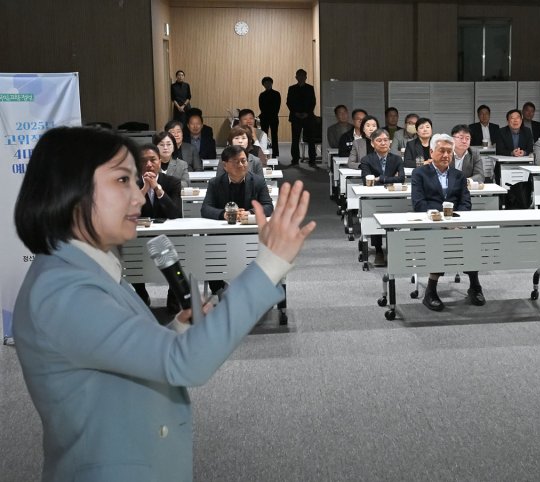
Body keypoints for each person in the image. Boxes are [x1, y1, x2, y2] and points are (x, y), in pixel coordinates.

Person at [12, 126, 314, 481]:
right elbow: (183, 364)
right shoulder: (62, 290)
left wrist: (178, 328)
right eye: (122, 181)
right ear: (70, 189)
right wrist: (269, 264)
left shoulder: (86, 271)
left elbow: (117, 353)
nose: (139, 198)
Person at [411, 133, 485, 311]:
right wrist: (440, 221)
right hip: (430, 223)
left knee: (470, 238)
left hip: (456, 223)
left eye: (449, 152)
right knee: (439, 240)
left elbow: (465, 202)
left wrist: (457, 222)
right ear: (431, 151)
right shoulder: (420, 173)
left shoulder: (458, 175)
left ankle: (475, 285)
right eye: (441, 151)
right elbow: (419, 203)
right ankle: (431, 291)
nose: (446, 155)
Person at [203, 145, 275, 295]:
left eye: (244, 161)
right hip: (222, 236)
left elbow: (268, 207)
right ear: (225, 165)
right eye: (236, 162)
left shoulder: (258, 181)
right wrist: (224, 214)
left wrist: (249, 213)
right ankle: (219, 289)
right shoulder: (215, 183)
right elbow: (205, 209)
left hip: (251, 235)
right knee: (210, 252)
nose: (241, 165)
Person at [132, 143, 183, 310]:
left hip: (168, 237)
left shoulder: (172, 182)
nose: (149, 164)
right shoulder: (131, 183)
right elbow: (128, 211)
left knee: (180, 249)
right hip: (139, 237)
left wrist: (157, 188)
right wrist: (145, 188)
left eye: (153, 160)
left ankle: (173, 295)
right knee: (130, 252)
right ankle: (141, 292)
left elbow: (175, 213)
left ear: (160, 161)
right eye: (144, 161)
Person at [360, 129, 405, 267]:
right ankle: (379, 250)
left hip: (394, 196)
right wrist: (391, 179)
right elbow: (366, 180)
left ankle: (397, 249)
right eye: (379, 140)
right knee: (375, 217)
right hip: (375, 196)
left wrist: (381, 178)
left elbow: (402, 178)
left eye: (386, 140)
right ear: (373, 144)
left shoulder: (397, 159)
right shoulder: (366, 160)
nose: (383, 143)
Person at [286, 68, 316, 166]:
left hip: (308, 117)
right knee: (295, 139)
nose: (301, 78)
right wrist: (296, 113)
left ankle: (312, 159)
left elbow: (313, 102)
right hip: (295, 117)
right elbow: (289, 102)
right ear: (296, 77)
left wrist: (307, 113)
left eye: (303, 76)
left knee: (311, 139)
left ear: (306, 77)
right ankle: (295, 159)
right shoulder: (292, 88)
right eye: (299, 76)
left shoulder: (310, 88)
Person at [258, 76, 281, 158]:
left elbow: (277, 107)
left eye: (269, 82)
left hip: (274, 117)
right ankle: (264, 153)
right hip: (264, 117)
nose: (267, 84)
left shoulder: (276, 94)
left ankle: (275, 153)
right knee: (264, 137)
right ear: (263, 85)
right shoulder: (262, 95)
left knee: (274, 135)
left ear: (272, 83)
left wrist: (270, 113)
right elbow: (261, 107)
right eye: (265, 83)